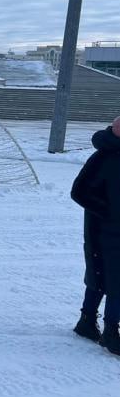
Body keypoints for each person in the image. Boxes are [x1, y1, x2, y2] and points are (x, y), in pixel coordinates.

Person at [70, 117, 120, 355]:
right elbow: (79, 191)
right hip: (104, 230)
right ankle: (111, 332)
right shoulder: (102, 157)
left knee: (102, 277)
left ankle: (86, 322)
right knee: (111, 279)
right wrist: (108, 211)